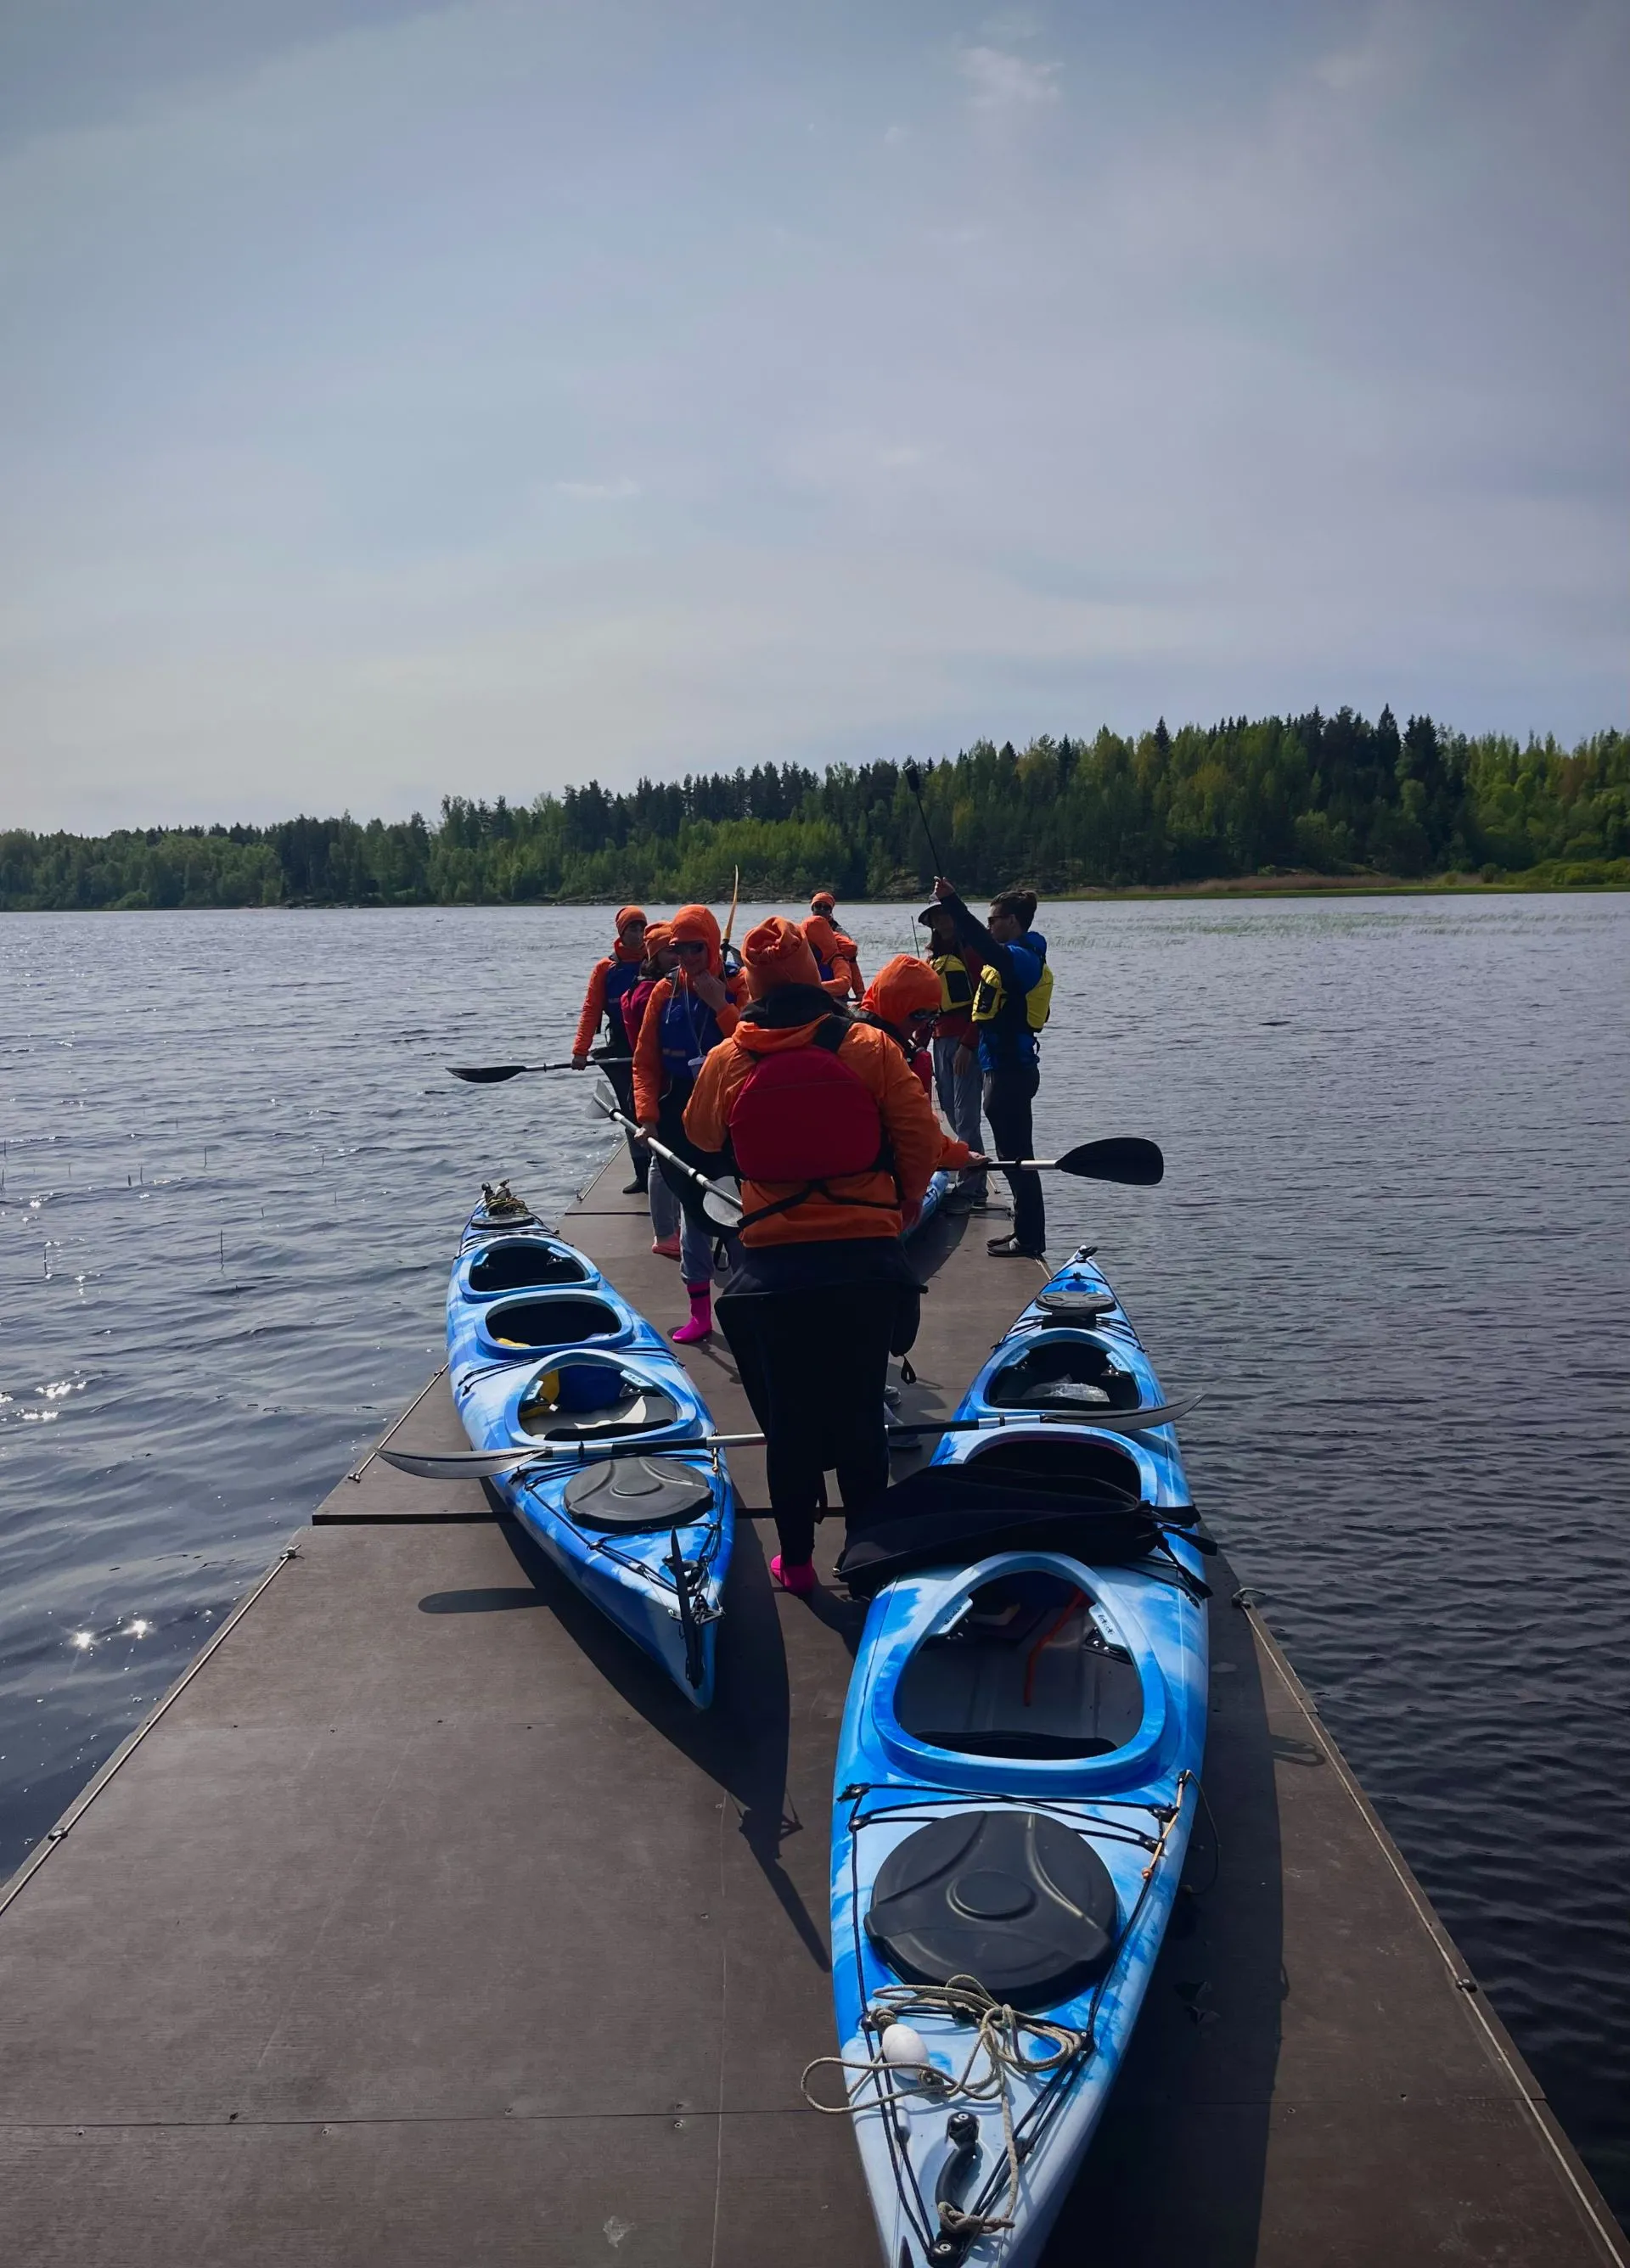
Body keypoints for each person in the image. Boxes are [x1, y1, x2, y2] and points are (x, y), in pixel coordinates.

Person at [684, 917, 944, 1596]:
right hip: (863, 1263)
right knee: (861, 1413)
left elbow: (701, 1134)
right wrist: (905, 1205)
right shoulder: (866, 1044)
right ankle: (867, 1564)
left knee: (790, 1423)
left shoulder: (730, 1057)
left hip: (772, 1269)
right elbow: (919, 1135)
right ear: (811, 976)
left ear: (755, 985)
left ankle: (796, 1564)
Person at [632, 903, 745, 1340]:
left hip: (728, 1113)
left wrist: (721, 1005)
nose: (687, 958)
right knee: (692, 1215)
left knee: (736, 1212)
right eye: (679, 950)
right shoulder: (664, 991)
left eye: (696, 948)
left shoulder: (738, 985)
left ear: (712, 945)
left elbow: (752, 1050)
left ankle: (747, 1304)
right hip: (680, 1110)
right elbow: (644, 1063)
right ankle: (700, 1313)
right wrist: (647, 1116)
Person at [931, 878, 1053, 1259]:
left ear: (1013, 921)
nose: (990, 926)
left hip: (1011, 1074)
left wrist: (953, 902)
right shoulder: (1012, 954)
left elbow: (983, 945)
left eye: (995, 919)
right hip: (1001, 1071)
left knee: (1019, 1159)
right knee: (1015, 1156)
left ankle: (1030, 1239)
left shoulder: (1020, 958)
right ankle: (1023, 1231)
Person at [855, 956, 989, 1190]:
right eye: (918, 1016)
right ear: (898, 1006)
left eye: (931, 1017)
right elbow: (919, 1138)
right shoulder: (888, 1057)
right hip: (872, 1188)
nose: (920, 1025)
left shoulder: (838, 1032)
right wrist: (960, 1156)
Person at [915, 900, 987, 1210]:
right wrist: (919, 1042)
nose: (942, 922)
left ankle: (973, 1188)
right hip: (941, 1039)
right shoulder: (933, 959)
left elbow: (983, 1006)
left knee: (966, 1114)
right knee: (949, 1109)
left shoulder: (972, 954)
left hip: (964, 1041)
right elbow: (931, 1007)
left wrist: (968, 1045)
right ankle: (968, 1174)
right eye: (936, 918)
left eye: (946, 915)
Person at [572, 907, 649, 1193]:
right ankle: (642, 1174)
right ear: (621, 932)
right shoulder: (605, 969)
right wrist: (580, 1050)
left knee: (655, 1108)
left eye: (642, 929)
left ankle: (664, 1169)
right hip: (621, 1045)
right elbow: (591, 1010)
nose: (639, 935)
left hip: (653, 1042)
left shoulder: (655, 960)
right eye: (632, 929)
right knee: (630, 1109)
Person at [621, 923, 682, 1258]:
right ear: (655, 956)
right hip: (656, 1085)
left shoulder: (654, 985)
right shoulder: (648, 993)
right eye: (672, 951)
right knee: (661, 1160)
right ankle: (665, 1233)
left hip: (660, 1081)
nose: (678, 956)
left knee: (666, 1158)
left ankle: (671, 1227)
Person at [801, 912, 862, 1002]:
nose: (808, 948)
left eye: (811, 944)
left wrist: (817, 987)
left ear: (819, 942)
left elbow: (844, 983)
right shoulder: (804, 959)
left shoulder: (837, 959)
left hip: (835, 1004)